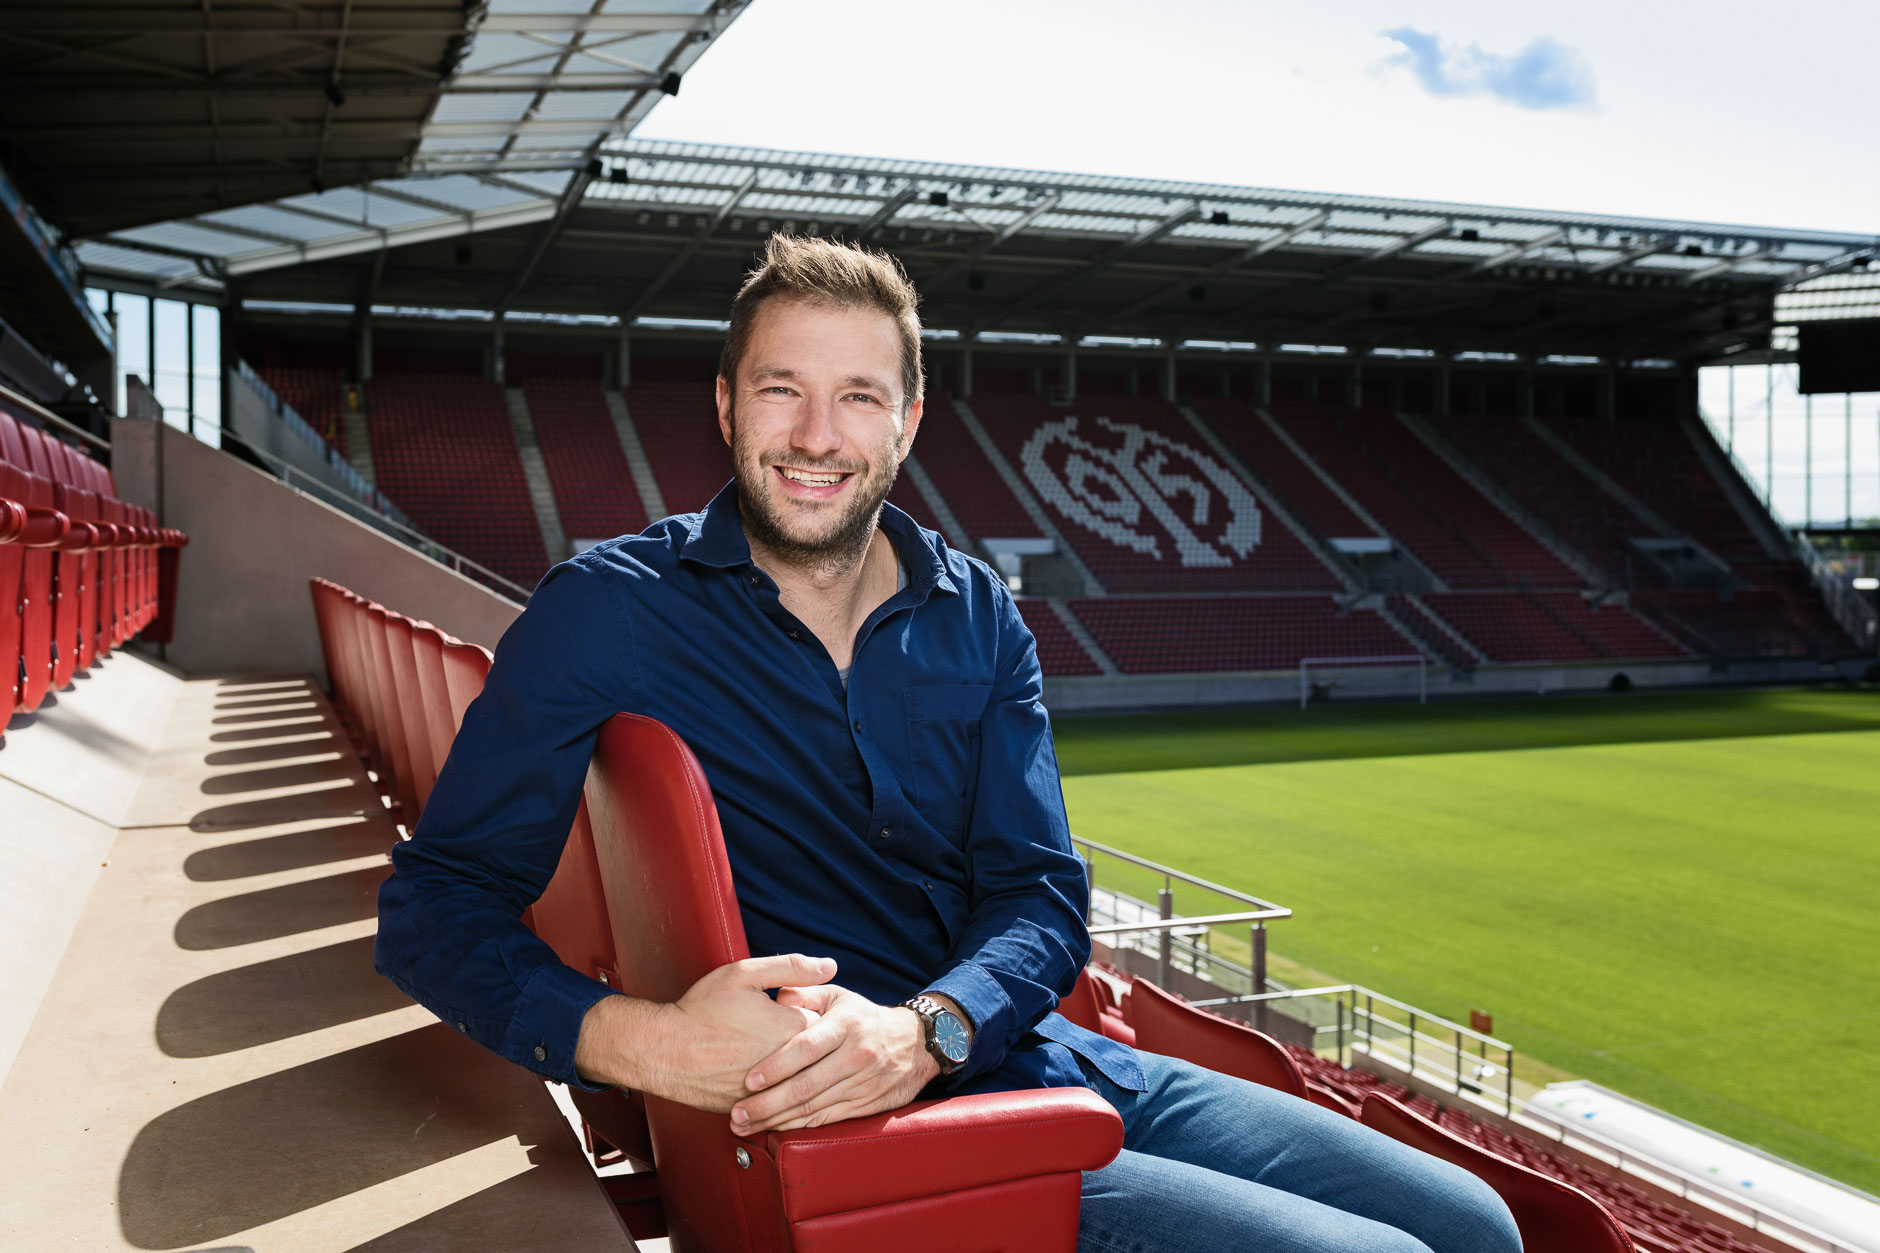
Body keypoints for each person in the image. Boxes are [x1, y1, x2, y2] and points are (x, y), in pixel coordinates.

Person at [375, 235, 1522, 1253]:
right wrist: (657, 1048)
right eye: (781, 389)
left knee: (1477, 1224)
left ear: (907, 421)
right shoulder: (608, 610)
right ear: (725, 406)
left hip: (1017, 1047)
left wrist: (930, 1027)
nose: (816, 435)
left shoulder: (977, 610)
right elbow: (433, 905)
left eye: (858, 396)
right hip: (870, 1134)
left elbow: (1039, 892)